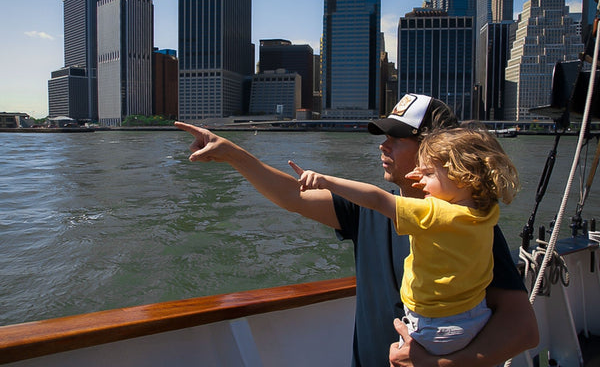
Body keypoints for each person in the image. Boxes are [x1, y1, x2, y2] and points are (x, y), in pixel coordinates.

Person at [175, 93, 539, 367]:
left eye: (397, 138)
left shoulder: (470, 228)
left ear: (436, 148)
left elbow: (523, 328)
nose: (383, 146)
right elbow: (291, 194)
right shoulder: (369, 209)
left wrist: (438, 365)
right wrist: (233, 154)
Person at [288, 126, 520, 356]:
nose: (420, 180)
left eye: (428, 174)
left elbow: (377, 199)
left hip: (433, 327)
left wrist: (326, 181)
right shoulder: (486, 212)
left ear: (461, 177)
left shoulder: (433, 214)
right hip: (474, 318)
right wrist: (435, 178)